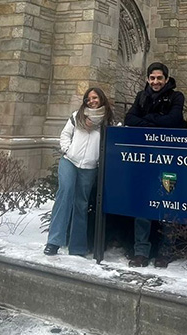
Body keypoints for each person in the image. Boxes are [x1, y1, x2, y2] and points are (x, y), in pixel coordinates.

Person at [124, 62, 187, 268]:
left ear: (166, 79)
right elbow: (129, 118)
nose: (156, 82)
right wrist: (155, 123)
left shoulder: (176, 97)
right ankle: (141, 250)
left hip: (170, 159)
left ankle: (166, 250)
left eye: (159, 78)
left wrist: (148, 120)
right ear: (148, 79)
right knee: (143, 201)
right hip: (145, 159)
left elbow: (174, 120)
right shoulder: (141, 97)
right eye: (152, 78)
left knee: (169, 202)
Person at [44, 87, 114, 256]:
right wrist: (67, 150)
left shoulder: (106, 121)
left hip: (89, 167)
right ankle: (54, 242)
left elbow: (109, 145)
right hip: (69, 162)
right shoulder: (77, 116)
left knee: (81, 204)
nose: (91, 101)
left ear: (101, 99)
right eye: (88, 99)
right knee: (65, 193)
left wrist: (98, 160)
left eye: (95, 97)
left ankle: (77, 248)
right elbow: (65, 135)